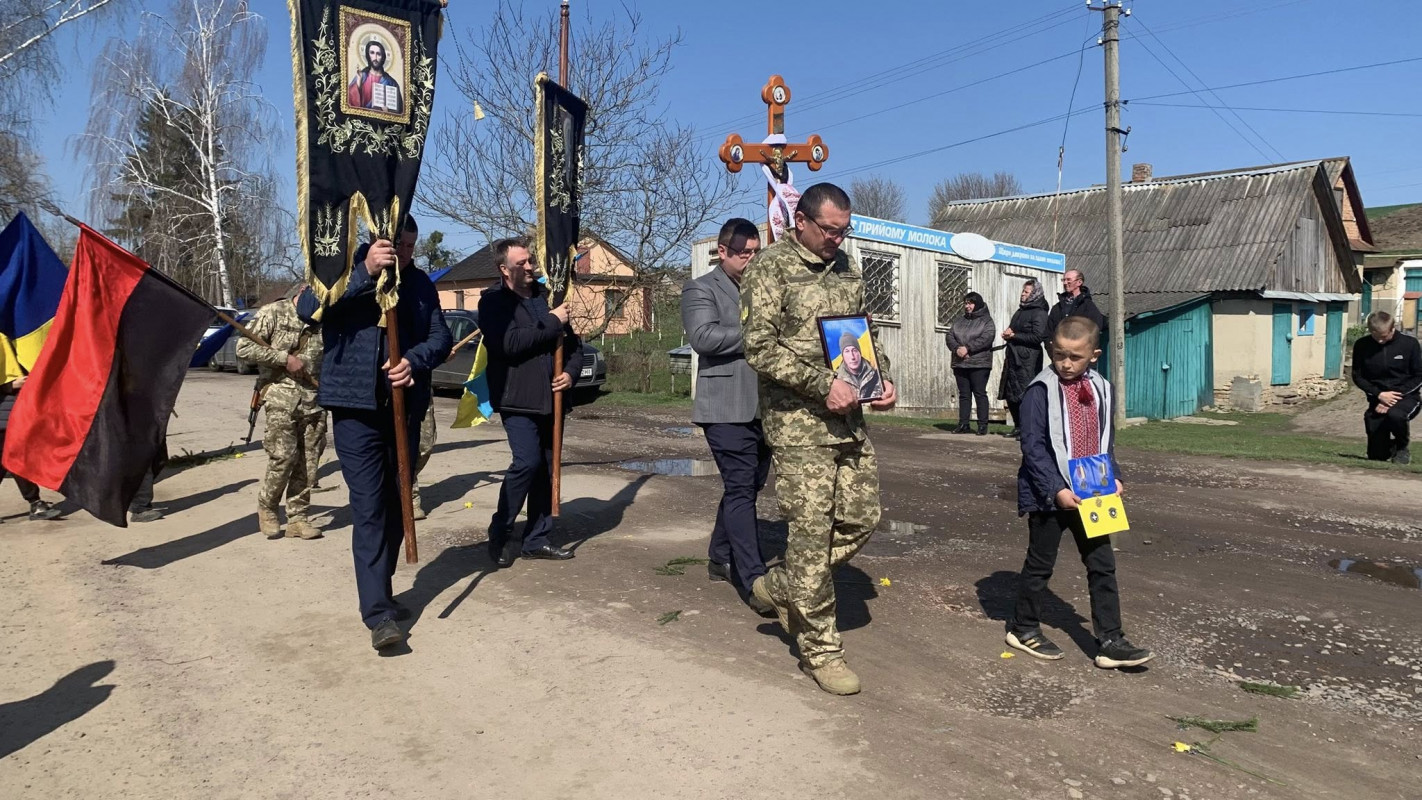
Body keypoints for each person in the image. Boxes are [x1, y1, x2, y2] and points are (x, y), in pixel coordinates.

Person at [742, 182, 898, 696]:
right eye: (829, 230)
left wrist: (880, 377)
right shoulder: (770, 268)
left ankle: (781, 585)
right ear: (801, 222)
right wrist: (820, 384)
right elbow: (759, 348)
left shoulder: (847, 267)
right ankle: (821, 650)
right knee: (810, 537)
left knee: (862, 518)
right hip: (797, 425)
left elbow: (863, 333)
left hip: (848, 419)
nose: (837, 239)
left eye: (844, 230)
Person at [297, 214, 452, 651]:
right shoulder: (343, 269)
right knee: (369, 506)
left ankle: (380, 588)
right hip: (355, 409)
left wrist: (413, 362)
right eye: (399, 245)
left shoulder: (418, 284)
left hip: (403, 408)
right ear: (377, 238)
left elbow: (440, 338)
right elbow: (308, 309)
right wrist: (365, 272)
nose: (406, 254)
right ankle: (378, 614)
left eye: (411, 246)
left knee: (398, 503)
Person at [1006, 315, 1153, 669]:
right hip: (1049, 495)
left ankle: (1110, 640)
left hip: (1093, 492)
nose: (1066, 363)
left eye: (1075, 357)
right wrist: (1056, 489)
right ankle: (1023, 628)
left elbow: (1106, 441)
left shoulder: (1103, 388)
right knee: (1041, 564)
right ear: (1050, 350)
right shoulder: (1040, 391)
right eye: (1059, 355)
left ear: (1094, 355)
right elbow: (1033, 447)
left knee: (1102, 565)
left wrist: (1115, 476)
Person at [680, 218, 773, 615]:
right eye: (743, 253)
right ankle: (754, 580)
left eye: (755, 252)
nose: (751, 259)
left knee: (749, 485)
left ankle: (719, 556)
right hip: (724, 407)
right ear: (722, 251)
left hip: (764, 407)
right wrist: (759, 335)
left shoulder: (763, 287)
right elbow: (704, 337)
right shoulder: (700, 288)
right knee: (740, 488)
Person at [479, 237, 585, 567]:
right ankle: (501, 531)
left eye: (530, 261)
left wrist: (570, 374)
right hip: (517, 398)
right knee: (526, 463)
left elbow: (574, 346)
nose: (529, 267)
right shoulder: (493, 302)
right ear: (504, 269)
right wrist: (553, 321)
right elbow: (508, 343)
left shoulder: (546, 297)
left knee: (547, 469)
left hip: (553, 398)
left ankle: (537, 539)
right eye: (521, 263)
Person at [237, 289, 326, 540]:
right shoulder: (273, 313)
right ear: (303, 291)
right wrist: (283, 358)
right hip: (280, 397)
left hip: (314, 400)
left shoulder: (326, 317)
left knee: (309, 462)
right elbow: (243, 348)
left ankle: (298, 518)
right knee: (284, 457)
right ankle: (267, 506)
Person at [1352, 311, 1422, 464]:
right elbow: (1358, 376)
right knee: (1377, 456)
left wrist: (1393, 398)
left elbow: (1418, 376)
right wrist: (1379, 395)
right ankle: (1389, 448)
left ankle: (1402, 447)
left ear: (1392, 329)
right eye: (1376, 336)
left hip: (1406, 397)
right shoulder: (1362, 345)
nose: (1380, 341)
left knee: (1395, 415)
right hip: (1377, 398)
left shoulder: (1410, 344)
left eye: (1384, 337)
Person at [0, 374, 63, 522]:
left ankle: (36, 503)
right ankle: (35, 503)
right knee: (15, 461)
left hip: (18, 416)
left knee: (15, 461)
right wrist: (10, 386)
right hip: (4, 419)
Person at [999, 279, 1051, 438]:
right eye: (1023, 291)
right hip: (1013, 356)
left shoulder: (1040, 312)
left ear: (1034, 294)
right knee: (1011, 393)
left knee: (1025, 394)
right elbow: (1014, 329)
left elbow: (1038, 337)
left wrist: (1014, 336)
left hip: (1028, 359)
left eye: (1026, 292)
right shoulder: (1020, 311)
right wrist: (1008, 333)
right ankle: (1018, 426)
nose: (1023, 294)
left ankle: (1027, 429)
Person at [946, 291, 995, 435]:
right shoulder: (959, 320)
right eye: (966, 303)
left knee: (979, 393)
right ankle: (963, 423)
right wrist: (957, 349)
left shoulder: (987, 321)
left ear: (977, 304)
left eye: (970, 303)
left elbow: (987, 338)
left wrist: (968, 348)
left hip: (979, 363)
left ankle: (982, 425)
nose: (967, 306)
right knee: (964, 394)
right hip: (960, 363)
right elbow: (950, 336)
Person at [1047, 269, 1106, 339]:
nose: (1065, 283)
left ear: (1079, 282)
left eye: (1069, 280)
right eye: (1064, 280)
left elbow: (1095, 329)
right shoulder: (1057, 308)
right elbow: (1048, 332)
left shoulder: (1088, 306)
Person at [347, 38, 402, 113]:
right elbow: (349, 103)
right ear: (368, 55)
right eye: (372, 53)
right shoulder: (361, 76)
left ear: (383, 57)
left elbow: (399, 110)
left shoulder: (391, 83)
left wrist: (389, 112)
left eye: (378, 54)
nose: (375, 58)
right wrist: (358, 85)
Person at [834, 333, 883, 402]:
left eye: (854, 350)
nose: (852, 357)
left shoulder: (876, 375)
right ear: (843, 356)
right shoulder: (835, 379)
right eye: (847, 351)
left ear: (860, 353)